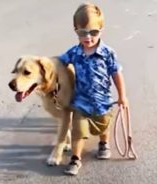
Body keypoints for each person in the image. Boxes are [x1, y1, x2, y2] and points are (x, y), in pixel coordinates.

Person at [59, 2, 128, 176]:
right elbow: (59, 63)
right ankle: (75, 159)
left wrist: (122, 96)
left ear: (101, 29)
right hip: (81, 102)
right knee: (78, 131)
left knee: (102, 127)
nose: (88, 37)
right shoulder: (74, 52)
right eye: (82, 33)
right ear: (76, 30)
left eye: (93, 32)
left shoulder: (108, 53)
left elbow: (116, 74)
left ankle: (103, 144)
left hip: (102, 101)